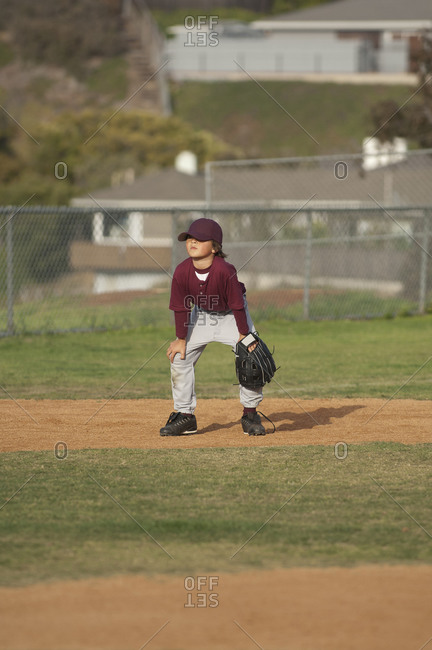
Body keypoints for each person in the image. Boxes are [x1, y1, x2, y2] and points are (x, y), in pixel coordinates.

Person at [160, 217, 266, 437]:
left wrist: (244, 335)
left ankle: (250, 414)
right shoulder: (181, 271)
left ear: (215, 247)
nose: (192, 242)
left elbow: (237, 304)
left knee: (252, 360)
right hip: (202, 315)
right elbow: (180, 307)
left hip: (232, 316)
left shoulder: (225, 270)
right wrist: (181, 339)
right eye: (189, 238)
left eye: (199, 238)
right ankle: (185, 416)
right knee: (180, 357)